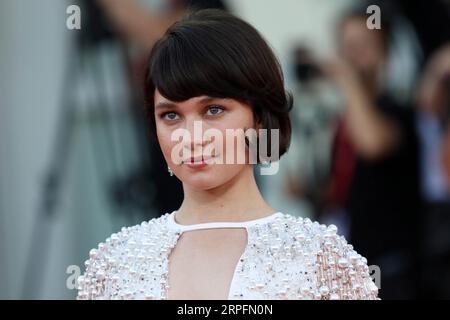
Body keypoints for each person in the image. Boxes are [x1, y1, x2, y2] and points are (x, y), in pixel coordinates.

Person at [76, 9, 378, 300]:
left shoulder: (323, 261)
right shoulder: (114, 264)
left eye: (214, 110)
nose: (191, 137)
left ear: (258, 117)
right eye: (170, 115)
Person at [325, 11, 421, 299]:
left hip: (395, 269)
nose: (351, 57)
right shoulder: (341, 121)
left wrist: (346, 80)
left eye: (362, 46)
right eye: (346, 47)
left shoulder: (399, 110)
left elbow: (373, 143)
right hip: (355, 264)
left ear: (385, 54)